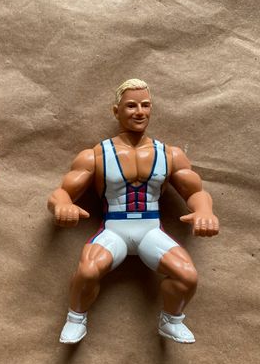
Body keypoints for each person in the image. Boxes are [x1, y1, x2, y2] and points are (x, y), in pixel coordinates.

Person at [48, 79, 219, 344]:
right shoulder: (96, 155)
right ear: (116, 111)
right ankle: (75, 317)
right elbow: (61, 193)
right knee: (88, 271)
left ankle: (171, 320)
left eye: (145, 105)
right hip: (114, 229)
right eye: (131, 106)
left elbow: (195, 192)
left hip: (150, 230)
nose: (139, 112)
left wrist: (205, 210)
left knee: (187, 276)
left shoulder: (170, 154)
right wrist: (62, 206)